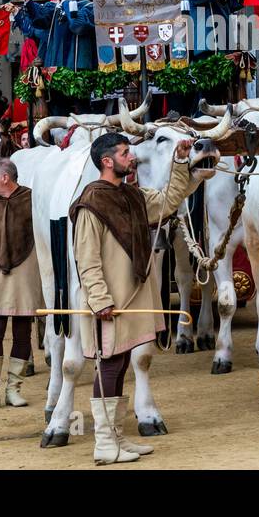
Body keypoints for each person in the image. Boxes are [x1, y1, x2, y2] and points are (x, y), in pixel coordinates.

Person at [70, 131, 197, 464]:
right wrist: (99, 301)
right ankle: (103, 445)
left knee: (122, 364)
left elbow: (170, 200)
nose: (132, 157)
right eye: (126, 153)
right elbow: (87, 258)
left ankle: (117, 439)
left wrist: (181, 162)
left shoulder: (133, 195)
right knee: (109, 366)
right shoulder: (91, 203)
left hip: (131, 299)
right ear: (107, 161)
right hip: (111, 303)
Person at [0, 157, 42, 412]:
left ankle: (14, 389)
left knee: (23, 333)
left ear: (5, 177)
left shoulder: (33, 200)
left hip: (25, 274)